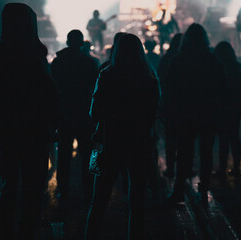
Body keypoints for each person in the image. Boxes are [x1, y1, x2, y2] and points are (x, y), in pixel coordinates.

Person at [0, 3, 60, 239]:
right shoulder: (34, 57)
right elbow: (49, 95)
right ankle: (26, 233)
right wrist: (54, 123)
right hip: (35, 134)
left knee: (8, 190)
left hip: (6, 134)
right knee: (33, 191)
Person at [84, 33, 160, 240]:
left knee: (98, 199)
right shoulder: (149, 78)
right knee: (137, 201)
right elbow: (154, 113)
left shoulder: (107, 75)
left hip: (109, 142)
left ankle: (89, 235)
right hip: (139, 144)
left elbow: (95, 112)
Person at [164, 24, 227, 204]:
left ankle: (178, 191)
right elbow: (223, 85)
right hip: (208, 112)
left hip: (185, 113)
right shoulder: (211, 59)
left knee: (183, 153)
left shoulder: (179, 59)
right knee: (206, 152)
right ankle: (204, 190)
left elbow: (170, 88)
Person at [50, 29, 99, 204]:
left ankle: (62, 189)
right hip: (85, 114)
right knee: (89, 154)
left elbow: (52, 91)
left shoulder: (58, 62)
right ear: (81, 43)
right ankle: (90, 189)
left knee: (64, 154)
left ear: (67, 42)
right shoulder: (90, 63)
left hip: (64, 113)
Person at [214, 41, 241, 178]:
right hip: (236, 106)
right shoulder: (237, 67)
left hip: (222, 107)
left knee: (223, 138)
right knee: (235, 137)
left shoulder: (218, 68)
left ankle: (222, 169)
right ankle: (236, 168)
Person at [157, 33, 182, 178]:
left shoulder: (166, 59)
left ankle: (171, 168)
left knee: (171, 139)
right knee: (184, 139)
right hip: (183, 105)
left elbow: (160, 79)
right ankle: (184, 168)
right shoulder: (187, 60)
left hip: (171, 104)